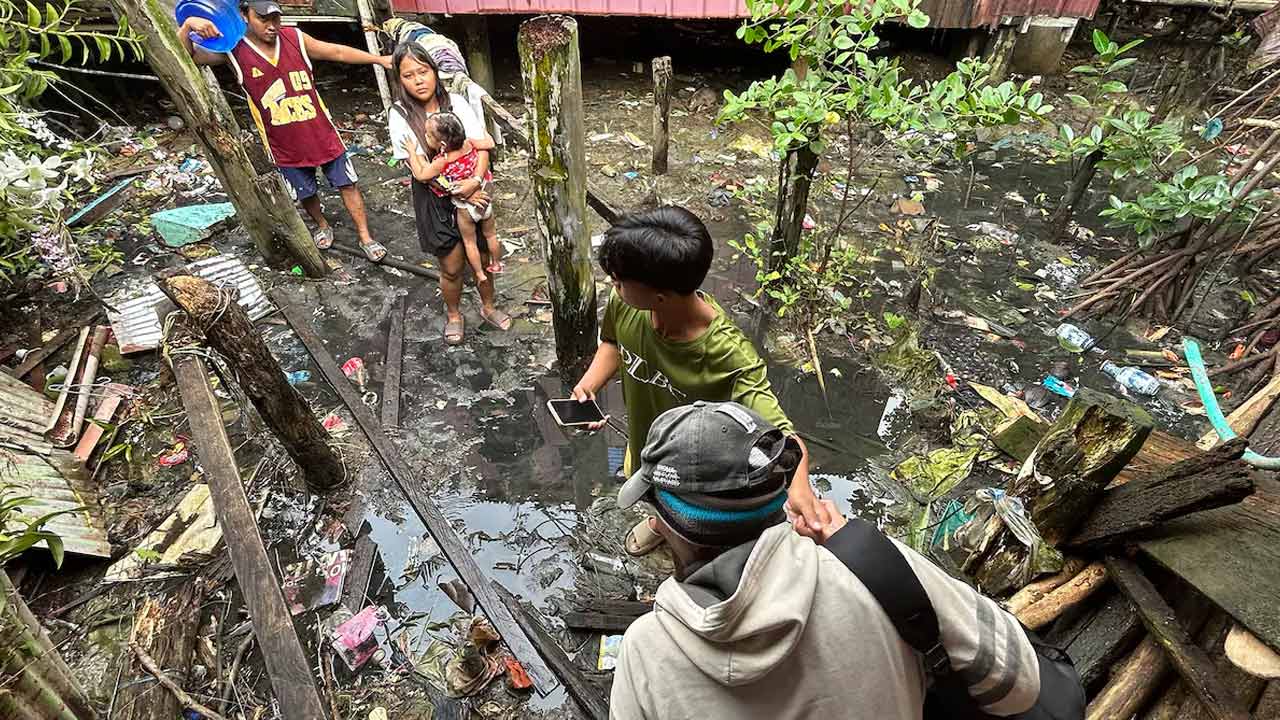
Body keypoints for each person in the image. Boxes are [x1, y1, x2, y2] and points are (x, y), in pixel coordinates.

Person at [608, 401, 1042, 720]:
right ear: (780, 500)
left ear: (665, 526)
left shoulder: (646, 653)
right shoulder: (871, 568)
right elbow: (1018, 686)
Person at [570, 206, 825, 552]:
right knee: (644, 484)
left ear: (659, 294)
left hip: (693, 469)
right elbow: (613, 343)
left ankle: (669, 526)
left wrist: (800, 486)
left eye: (618, 282)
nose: (613, 288)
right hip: (645, 442)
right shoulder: (630, 306)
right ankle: (658, 520)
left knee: (687, 523)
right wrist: (589, 386)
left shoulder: (729, 355)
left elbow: (782, 434)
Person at [178, 1, 390, 261]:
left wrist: (379, 59)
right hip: (283, 143)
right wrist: (188, 26)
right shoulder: (233, 50)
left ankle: (365, 237)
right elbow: (184, 57)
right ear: (244, 15)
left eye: (276, 18)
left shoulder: (295, 38)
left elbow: (335, 51)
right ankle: (322, 225)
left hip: (321, 133)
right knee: (306, 192)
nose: (272, 26)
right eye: (263, 19)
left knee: (348, 184)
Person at [388, 42, 512, 344]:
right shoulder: (400, 115)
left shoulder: (456, 102)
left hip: (473, 187)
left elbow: (481, 146)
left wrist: (474, 180)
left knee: (482, 254)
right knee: (452, 265)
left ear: (434, 71)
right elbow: (420, 172)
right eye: (408, 75)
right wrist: (461, 192)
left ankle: (488, 306)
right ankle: (455, 314)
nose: (418, 80)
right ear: (399, 80)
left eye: (423, 71)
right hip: (435, 198)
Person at [419, 112, 503, 282]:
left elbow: (424, 176)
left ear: (442, 144)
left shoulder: (441, 161)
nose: (425, 137)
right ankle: (496, 263)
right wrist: (483, 130)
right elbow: (489, 142)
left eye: (428, 135)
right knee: (491, 235)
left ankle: (479, 273)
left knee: (469, 242)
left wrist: (413, 155)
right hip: (485, 201)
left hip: (466, 209)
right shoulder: (470, 144)